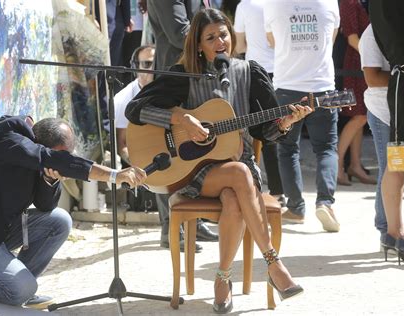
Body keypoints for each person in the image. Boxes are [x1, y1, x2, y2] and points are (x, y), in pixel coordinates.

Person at [126, 8, 309, 313]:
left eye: (223, 34)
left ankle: (222, 280)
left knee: (234, 195)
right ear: (198, 44)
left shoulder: (249, 72)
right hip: (199, 172)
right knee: (237, 175)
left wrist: (286, 122)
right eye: (210, 37)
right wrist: (181, 117)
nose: (220, 41)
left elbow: (267, 130)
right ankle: (274, 265)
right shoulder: (183, 74)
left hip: (242, 166)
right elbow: (136, 109)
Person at [0, 115, 146, 309]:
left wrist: (49, 179)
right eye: (64, 155)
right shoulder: (6, 138)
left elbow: (45, 206)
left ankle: (19, 283)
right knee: (20, 290)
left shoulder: (34, 154)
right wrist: (113, 175)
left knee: (59, 221)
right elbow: (52, 159)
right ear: (49, 149)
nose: (65, 160)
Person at [146, 0, 219, 249]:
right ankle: (171, 227)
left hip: (194, 76)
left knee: (194, 150)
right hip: (174, 79)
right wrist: (216, 38)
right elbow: (180, 34)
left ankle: (192, 221)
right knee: (171, 154)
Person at [264, 0, 341, 232]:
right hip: (323, 85)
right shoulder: (329, 2)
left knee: (287, 148)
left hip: (288, 85)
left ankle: (296, 207)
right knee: (326, 147)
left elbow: (271, 41)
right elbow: (332, 38)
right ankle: (325, 202)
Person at [358, 20, 404, 257]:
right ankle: (388, 232)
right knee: (392, 170)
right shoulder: (372, 33)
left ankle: (400, 235)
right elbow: (371, 78)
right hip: (384, 115)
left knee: (403, 169)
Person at [234, 0, 286, 207]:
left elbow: (239, 45)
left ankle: (253, 187)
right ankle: (279, 191)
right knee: (277, 128)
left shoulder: (245, 6)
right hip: (280, 70)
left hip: (254, 72)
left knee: (255, 130)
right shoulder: (281, 4)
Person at [336, 0, 375, 186]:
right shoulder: (348, 2)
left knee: (361, 116)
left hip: (360, 64)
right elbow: (352, 39)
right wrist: (373, 59)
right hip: (355, 65)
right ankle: (337, 166)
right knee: (360, 116)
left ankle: (355, 165)